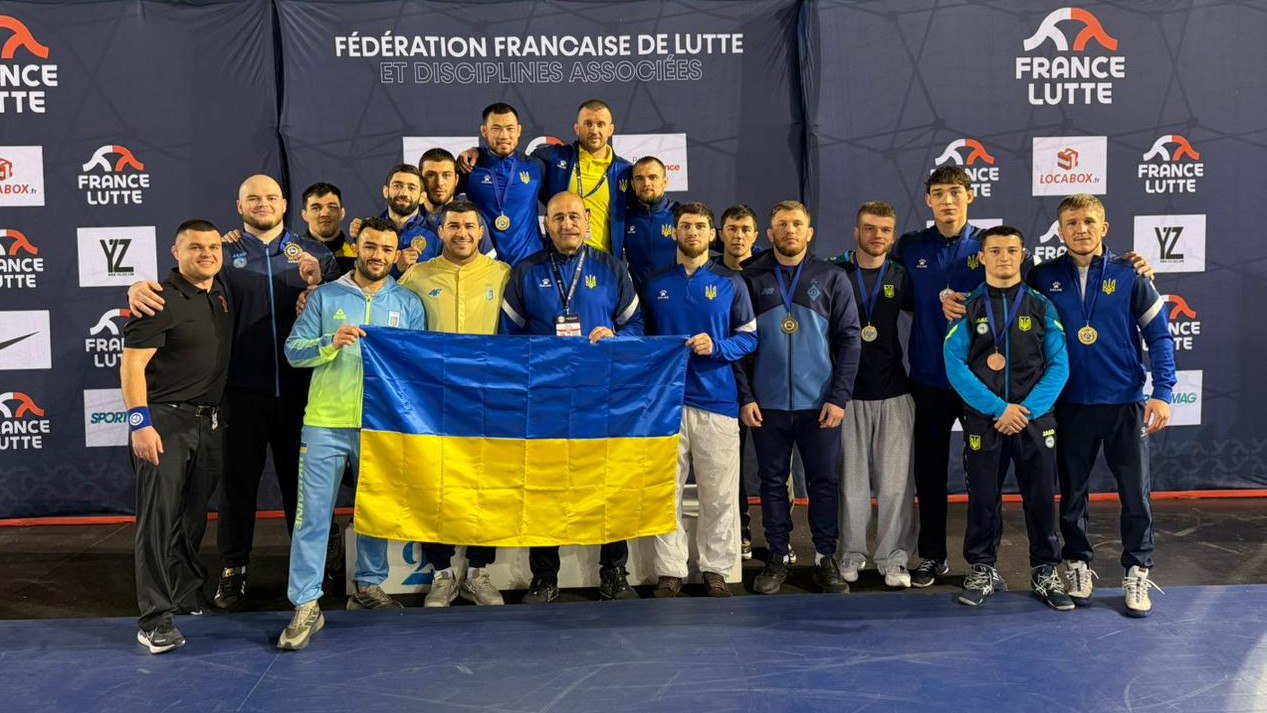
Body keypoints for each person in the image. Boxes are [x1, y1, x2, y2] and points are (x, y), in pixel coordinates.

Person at [128, 175, 340, 611]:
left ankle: (315, 573)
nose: (263, 204)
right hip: (237, 395)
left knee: (304, 489)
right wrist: (136, 287)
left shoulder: (315, 253)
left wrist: (319, 288)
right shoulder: (223, 254)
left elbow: (346, 302)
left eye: (271, 197)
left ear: (285, 205)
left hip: (304, 394)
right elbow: (184, 289)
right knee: (236, 488)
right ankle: (233, 571)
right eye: (253, 199)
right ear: (239, 206)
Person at [277, 217, 426, 650]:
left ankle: (368, 586)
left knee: (375, 510)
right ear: (356, 248)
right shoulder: (326, 296)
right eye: (370, 247)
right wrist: (329, 342)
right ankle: (306, 602)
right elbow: (293, 351)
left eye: (386, 249)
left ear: (396, 254)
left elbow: (418, 363)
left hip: (380, 426)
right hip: (326, 423)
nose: (378, 256)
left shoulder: (409, 303)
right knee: (312, 517)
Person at [1025, 194, 1175, 617]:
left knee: (1135, 495)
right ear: (1060, 231)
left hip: (1124, 403)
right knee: (1072, 494)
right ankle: (1077, 564)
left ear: (1104, 227)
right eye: (1072, 222)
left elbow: (1160, 337)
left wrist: (1163, 392)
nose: (1081, 229)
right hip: (1069, 404)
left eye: (1089, 221)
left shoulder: (1131, 275)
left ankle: (1138, 569)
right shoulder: (1042, 277)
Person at [500, 191, 644, 603]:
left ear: (588, 222)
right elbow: (508, 339)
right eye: (558, 217)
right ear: (546, 224)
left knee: (607, 482)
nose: (567, 224)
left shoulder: (612, 268)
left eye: (574, 217)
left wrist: (615, 337)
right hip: (545, 396)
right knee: (544, 486)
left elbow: (636, 326)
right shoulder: (525, 272)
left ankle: (614, 571)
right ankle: (545, 576)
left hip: (600, 395)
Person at [943, 226, 1072, 610]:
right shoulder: (968, 307)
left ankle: (1045, 570)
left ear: (1023, 255)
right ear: (982, 257)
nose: (1004, 257)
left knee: (1041, 497)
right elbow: (955, 365)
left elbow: (1059, 365)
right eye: (996, 251)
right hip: (987, 420)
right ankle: (982, 568)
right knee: (983, 497)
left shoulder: (1041, 306)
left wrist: (1025, 411)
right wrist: (1000, 409)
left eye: (1011, 250)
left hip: (1034, 419)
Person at [736, 200, 861, 595]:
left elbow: (850, 340)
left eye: (796, 224)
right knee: (772, 483)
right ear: (769, 233)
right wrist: (746, 396)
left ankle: (825, 557)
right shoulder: (750, 278)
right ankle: (778, 555)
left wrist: (839, 398)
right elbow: (737, 341)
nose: (789, 230)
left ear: (809, 232)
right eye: (781, 224)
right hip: (767, 404)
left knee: (823, 483)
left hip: (819, 404)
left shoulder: (831, 277)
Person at [122, 220, 232, 653]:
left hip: (208, 424)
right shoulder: (157, 299)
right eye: (195, 247)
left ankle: (184, 593)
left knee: (191, 518)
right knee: (158, 521)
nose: (206, 254)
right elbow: (132, 365)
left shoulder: (219, 293)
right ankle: (154, 620)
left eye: (213, 247)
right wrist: (140, 423)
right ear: (175, 253)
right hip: (164, 422)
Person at [398, 199, 512, 607]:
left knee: (485, 484)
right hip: (433, 401)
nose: (462, 233)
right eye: (454, 226)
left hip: (488, 398)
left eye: (469, 226)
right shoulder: (416, 276)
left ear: (481, 232)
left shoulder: (503, 275)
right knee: (435, 485)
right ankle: (442, 573)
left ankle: (479, 572)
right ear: (440, 232)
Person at [643, 202, 758, 598]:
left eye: (700, 226)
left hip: (718, 401)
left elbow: (750, 337)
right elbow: (640, 334)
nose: (692, 232)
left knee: (720, 494)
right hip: (666, 403)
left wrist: (718, 346)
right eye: (685, 225)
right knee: (666, 493)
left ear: (713, 234)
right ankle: (670, 571)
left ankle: (716, 570)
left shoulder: (731, 283)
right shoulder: (655, 282)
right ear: (675, 232)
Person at [828, 202, 917, 588]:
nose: (876, 235)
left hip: (894, 391)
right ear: (856, 232)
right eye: (869, 228)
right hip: (847, 394)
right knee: (851, 487)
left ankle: (894, 559)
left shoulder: (901, 275)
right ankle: (850, 554)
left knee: (896, 485)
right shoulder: (835, 273)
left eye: (884, 230)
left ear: (892, 237)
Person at [715, 203, 762, 561]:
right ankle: (740, 530)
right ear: (720, 234)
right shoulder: (711, 273)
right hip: (726, 378)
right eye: (732, 229)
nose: (738, 236)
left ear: (756, 235)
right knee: (730, 465)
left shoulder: (769, 271)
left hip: (768, 378)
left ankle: (779, 539)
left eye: (745, 229)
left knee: (777, 468)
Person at [530, 99, 633, 257]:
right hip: (561, 260)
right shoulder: (554, 159)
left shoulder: (625, 171)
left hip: (604, 262)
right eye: (588, 123)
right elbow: (522, 166)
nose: (594, 130)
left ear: (611, 129)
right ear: (577, 128)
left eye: (601, 124)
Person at [464, 103, 547, 266]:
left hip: (529, 265)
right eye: (496, 129)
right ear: (484, 131)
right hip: (486, 266)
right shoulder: (470, 167)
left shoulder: (536, 167)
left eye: (510, 128)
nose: (504, 136)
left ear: (519, 130)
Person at [351, 163, 439, 272]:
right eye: (397, 186)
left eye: (411, 188)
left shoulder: (436, 236)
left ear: (422, 197)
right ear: (386, 191)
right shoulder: (368, 232)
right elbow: (362, 275)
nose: (404, 193)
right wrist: (396, 268)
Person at [623, 156, 679, 294]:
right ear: (633, 184)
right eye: (639, 178)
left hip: (674, 297)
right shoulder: (622, 218)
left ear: (665, 182)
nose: (646, 183)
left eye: (652, 177)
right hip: (637, 299)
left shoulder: (681, 215)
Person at [299, 182, 354, 273]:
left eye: (332, 207)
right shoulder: (292, 258)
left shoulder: (357, 255)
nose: (324, 214)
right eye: (316, 208)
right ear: (304, 215)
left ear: (342, 213)